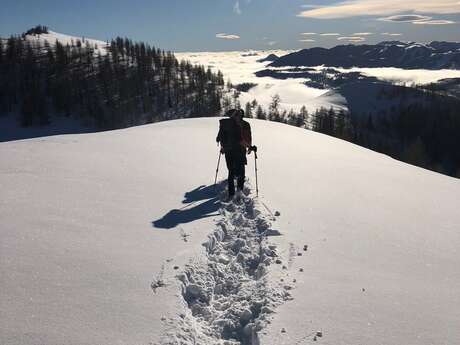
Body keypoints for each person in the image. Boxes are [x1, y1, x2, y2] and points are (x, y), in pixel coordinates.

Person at [216, 109, 253, 199]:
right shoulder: (236, 126)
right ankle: (239, 191)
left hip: (229, 150)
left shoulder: (225, 124)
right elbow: (240, 139)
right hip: (239, 151)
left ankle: (231, 194)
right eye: (238, 115)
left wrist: (223, 147)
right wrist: (250, 147)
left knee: (231, 172)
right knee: (241, 171)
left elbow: (219, 137)